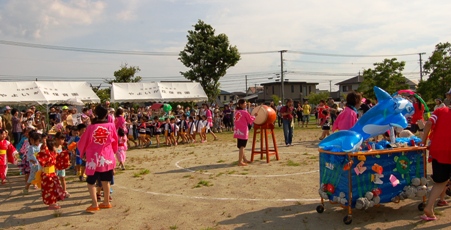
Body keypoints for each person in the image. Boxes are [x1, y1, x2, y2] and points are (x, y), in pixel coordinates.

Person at [78, 105, 118, 212]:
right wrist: (113, 152)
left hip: (93, 158)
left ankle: (95, 204)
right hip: (107, 156)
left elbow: (83, 142)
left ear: (95, 114)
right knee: (106, 180)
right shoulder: (111, 125)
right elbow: (115, 141)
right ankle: (106, 202)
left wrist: (82, 153)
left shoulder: (91, 127)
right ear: (106, 114)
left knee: (91, 182)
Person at [420, 106, 451, 221]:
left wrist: (423, 141)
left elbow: (428, 123)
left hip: (438, 150)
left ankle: (429, 207)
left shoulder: (440, 110)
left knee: (440, 182)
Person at [35, 141, 65, 210]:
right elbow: (42, 154)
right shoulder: (47, 154)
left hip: (52, 174)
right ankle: (51, 203)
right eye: (54, 146)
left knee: (54, 189)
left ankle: (53, 202)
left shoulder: (53, 154)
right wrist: (45, 144)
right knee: (49, 190)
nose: (55, 147)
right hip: (47, 175)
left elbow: (59, 157)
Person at [233, 99, 255, 166]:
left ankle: (244, 159)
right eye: (245, 103)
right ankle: (240, 161)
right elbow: (250, 120)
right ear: (241, 104)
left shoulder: (236, 112)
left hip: (238, 130)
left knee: (241, 146)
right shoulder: (244, 112)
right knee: (242, 146)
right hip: (243, 130)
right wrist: (255, 116)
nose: (245, 104)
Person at [54, 132, 71, 198]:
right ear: (56, 139)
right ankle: (56, 191)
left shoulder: (62, 146)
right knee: (55, 179)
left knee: (63, 178)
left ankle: (64, 190)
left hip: (61, 165)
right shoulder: (53, 147)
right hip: (55, 166)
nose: (63, 141)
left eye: (63, 140)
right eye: (61, 139)